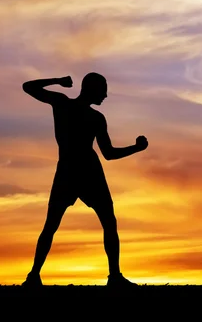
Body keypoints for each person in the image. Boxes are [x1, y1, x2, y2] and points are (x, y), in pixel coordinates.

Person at [21, 73, 148, 289]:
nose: (106, 95)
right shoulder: (63, 103)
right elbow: (28, 86)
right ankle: (34, 275)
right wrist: (58, 81)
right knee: (53, 224)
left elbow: (108, 153)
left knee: (107, 222)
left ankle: (114, 276)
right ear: (92, 89)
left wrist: (135, 149)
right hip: (74, 170)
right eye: (103, 89)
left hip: (84, 171)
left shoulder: (93, 116)